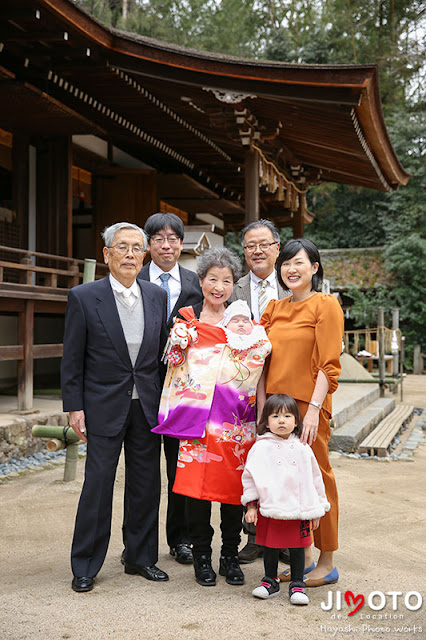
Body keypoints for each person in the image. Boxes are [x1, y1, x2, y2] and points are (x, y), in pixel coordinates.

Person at [61, 222, 169, 593]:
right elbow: (72, 359)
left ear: (145, 255)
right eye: (121, 247)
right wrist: (74, 407)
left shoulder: (156, 295)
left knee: (145, 484)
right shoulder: (84, 296)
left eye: (136, 248)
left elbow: (158, 357)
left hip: (146, 406)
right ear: (106, 254)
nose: (129, 254)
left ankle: (139, 557)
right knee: (98, 485)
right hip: (102, 405)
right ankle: (86, 564)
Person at [157, 248, 271, 587]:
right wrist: (179, 341)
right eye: (212, 279)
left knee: (234, 491)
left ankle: (230, 556)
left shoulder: (243, 325)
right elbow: (171, 361)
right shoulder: (186, 319)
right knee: (196, 491)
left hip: (235, 422)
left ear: (233, 284)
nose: (218, 287)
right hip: (195, 423)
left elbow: (257, 364)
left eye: (226, 281)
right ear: (201, 280)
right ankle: (202, 557)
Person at [257, 237, 344, 587]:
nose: (291, 269)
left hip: (308, 408)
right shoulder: (274, 309)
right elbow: (259, 361)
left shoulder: (325, 305)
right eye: (286, 263)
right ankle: (303, 555)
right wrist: (262, 406)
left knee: (319, 479)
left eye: (299, 262)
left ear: (314, 268)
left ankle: (327, 559)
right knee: (285, 482)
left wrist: (313, 413)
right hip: (275, 409)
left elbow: (329, 365)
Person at [134, 212, 202, 566]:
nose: (166, 245)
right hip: (141, 387)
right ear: (148, 244)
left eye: (173, 238)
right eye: (158, 238)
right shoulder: (134, 278)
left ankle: (182, 538)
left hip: (183, 390)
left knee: (180, 465)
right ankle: (138, 543)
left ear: (181, 243)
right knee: (142, 468)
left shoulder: (196, 283)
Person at [228, 219, 289, 564]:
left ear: (277, 248)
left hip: (284, 387)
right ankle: (253, 536)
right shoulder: (232, 289)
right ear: (244, 251)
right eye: (250, 245)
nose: (257, 250)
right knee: (247, 463)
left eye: (264, 244)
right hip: (242, 390)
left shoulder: (291, 287)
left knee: (282, 460)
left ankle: (281, 536)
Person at [242, 394, 330, 604]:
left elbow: (315, 479)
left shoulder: (303, 448)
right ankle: (269, 581)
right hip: (271, 507)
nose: (281, 421)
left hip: (298, 509)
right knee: (270, 546)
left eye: (287, 416)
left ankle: (298, 584)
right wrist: (252, 506)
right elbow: (250, 477)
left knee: (297, 547)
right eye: (275, 416)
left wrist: (316, 509)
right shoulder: (260, 448)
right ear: (266, 421)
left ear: (296, 421)